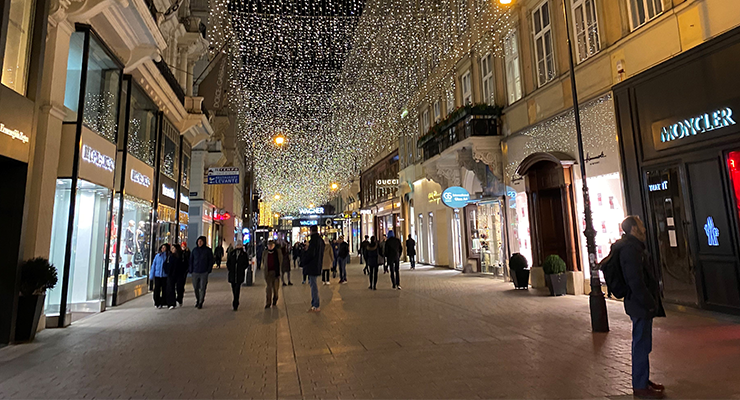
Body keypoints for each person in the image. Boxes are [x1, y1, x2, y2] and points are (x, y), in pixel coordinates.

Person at [616, 216, 666, 399]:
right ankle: (640, 384)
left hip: (639, 303)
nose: (645, 229)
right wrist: (649, 302)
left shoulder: (633, 247)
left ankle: (643, 379)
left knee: (644, 343)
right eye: (641, 226)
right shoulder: (631, 250)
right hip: (639, 304)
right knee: (641, 344)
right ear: (634, 229)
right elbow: (635, 281)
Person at [300, 225, 323, 312]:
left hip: (312, 265)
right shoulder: (320, 240)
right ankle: (315, 303)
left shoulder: (314, 240)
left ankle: (315, 304)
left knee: (313, 285)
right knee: (313, 284)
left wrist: (306, 252)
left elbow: (311, 254)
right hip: (317, 264)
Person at [189, 236, 214, 309]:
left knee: (202, 287)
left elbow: (211, 260)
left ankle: (201, 302)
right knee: (195, 287)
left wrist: (209, 269)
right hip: (195, 271)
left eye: (201, 241)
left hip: (204, 272)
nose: (199, 243)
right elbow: (191, 260)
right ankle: (197, 299)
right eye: (198, 241)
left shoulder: (207, 250)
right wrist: (190, 269)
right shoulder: (194, 250)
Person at [149, 243, 173, 309]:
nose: (163, 249)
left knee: (164, 289)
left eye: (164, 248)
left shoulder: (168, 256)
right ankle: (157, 302)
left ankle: (163, 302)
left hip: (164, 276)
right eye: (162, 247)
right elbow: (153, 265)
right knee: (157, 289)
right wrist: (151, 275)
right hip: (157, 275)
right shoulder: (157, 256)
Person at [227, 244, 249, 310]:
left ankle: (235, 302)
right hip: (232, 274)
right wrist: (230, 268)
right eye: (237, 245)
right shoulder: (232, 253)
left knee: (237, 288)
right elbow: (228, 262)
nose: (238, 246)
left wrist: (242, 268)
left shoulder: (244, 254)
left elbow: (246, 263)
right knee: (233, 288)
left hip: (239, 274)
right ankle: (235, 298)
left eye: (240, 245)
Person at [262, 240, 283, 308]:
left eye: (272, 245)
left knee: (276, 289)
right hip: (268, 273)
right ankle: (268, 302)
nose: (270, 246)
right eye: (269, 245)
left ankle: (275, 299)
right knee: (269, 289)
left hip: (276, 273)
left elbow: (281, 260)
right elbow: (263, 261)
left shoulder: (277, 252)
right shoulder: (265, 253)